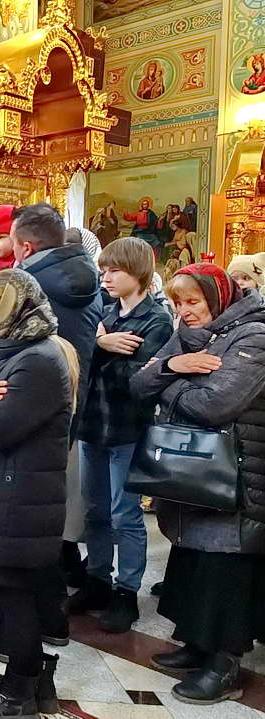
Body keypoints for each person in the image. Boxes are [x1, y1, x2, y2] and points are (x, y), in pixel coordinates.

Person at [130, 263, 265, 704]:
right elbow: (138, 384)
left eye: (193, 302)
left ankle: (225, 664)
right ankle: (197, 645)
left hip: (237, 474)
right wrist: (174, 364)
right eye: (178, 303)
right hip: (194, 473)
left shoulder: (254, 335)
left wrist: (168, 381)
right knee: (194, 560)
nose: (184, 311)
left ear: (219, 297)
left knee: (227, 566)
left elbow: (216, 404)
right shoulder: (189, 334)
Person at [0, 269, 79, 719]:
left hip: (19, 498)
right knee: (11, 589)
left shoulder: (36, 361)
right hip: (10, 493)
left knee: (13, 594)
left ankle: (19, 691)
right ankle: (35, 682)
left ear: (12, 309)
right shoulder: (17, 353)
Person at [70, 238, 173, 633]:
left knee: (125, 514)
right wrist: (101, 345)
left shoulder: (156, 319)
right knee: (94, 509)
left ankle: (127, 591)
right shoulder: (105, 313)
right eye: (104, 270)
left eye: (115, 270)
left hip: (128, 427)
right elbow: (80, 362)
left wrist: (101, 348)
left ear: (138, 272)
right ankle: (97, 578)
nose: (106, 277)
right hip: (93, 424)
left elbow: (140, 381)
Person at [11, 203, 102, 596]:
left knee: (27, 499)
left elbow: (8, 343)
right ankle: (61, 566)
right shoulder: (87, 275)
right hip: (74, 395)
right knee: (55, 487)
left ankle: (37, 587)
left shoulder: (28, 284)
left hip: (31, 398)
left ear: (27, 247)